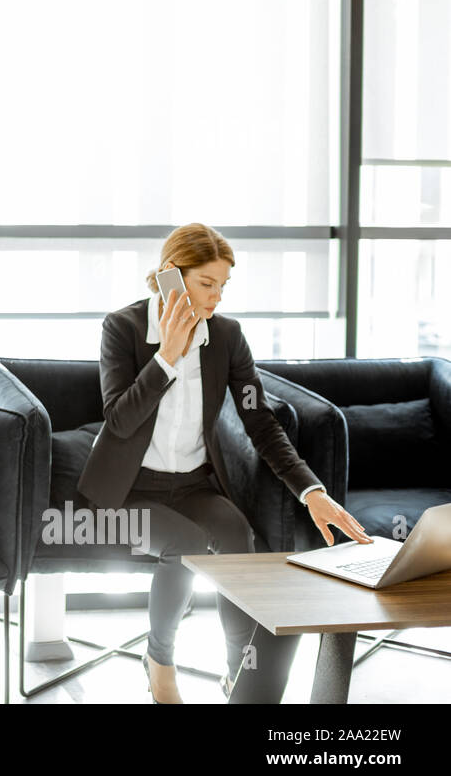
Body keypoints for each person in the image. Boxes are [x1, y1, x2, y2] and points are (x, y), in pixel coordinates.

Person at [78, 222, 371, 704]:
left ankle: (242, 676)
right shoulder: (123, 329)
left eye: (223, 286)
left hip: (192, 487)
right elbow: (119, 420)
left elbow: (261, 423)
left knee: (238, 539)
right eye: (205, 284)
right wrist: (167, 358)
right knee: (188, 544)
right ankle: (159, 659)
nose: (215, 299)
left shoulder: (227, 337)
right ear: (171, 276)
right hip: (124, 493)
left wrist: (312, 491)